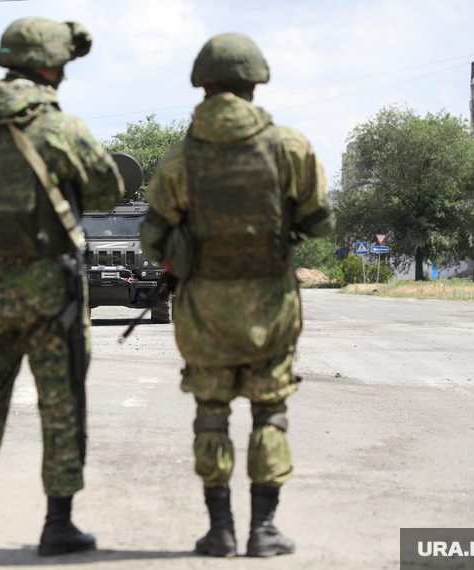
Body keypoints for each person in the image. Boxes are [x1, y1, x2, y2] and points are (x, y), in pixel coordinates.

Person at [140, 33, 334, 558]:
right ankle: (264, 529)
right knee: (269, 411)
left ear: (202, 85)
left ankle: (220, 529)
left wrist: (187, 253)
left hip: (203, 311)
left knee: (211, 413)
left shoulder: (181, 159)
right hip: (271, 309)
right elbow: (320, 224)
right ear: (254, 81)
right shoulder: (288, 147)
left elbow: (153, 236)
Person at [0, 17, 123, 556]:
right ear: (48, 64)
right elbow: (109, 191)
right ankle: (57, 524)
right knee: (60, 405)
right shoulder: (58, 126)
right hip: (48, 295)